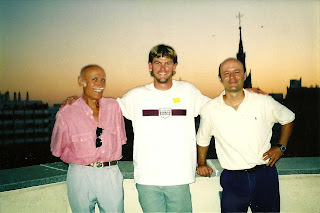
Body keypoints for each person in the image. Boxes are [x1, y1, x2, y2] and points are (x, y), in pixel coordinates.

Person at [116, 44, 211, 212]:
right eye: (157, 62)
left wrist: (244, 93)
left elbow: (217, 108)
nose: (162, 68)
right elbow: (104, 108)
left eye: (167, 63)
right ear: (150, 66)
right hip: (147, 179)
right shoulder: (136, 95)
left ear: (174, 67)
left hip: (179, 178)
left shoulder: (188, 91)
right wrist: (77, 100)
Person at [196, 58, 295, 212]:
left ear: (245, 75)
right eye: (226, 73)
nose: (232, 77)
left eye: (237, 72)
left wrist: (280, 147)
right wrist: (201, 163)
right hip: (233, 179)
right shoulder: (210, 109)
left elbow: (288, 118)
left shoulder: (262, 101)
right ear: (220, 78)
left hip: (265, 175)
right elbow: (203, 139)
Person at [51, 65, 127, 213]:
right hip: (80, 175)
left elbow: (122, 140)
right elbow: (56, 149)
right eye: (94, 79)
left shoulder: (114, 107)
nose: (100, 84)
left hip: (110, 173)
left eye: (103, 80)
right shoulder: (67, 113)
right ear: (81, 82)